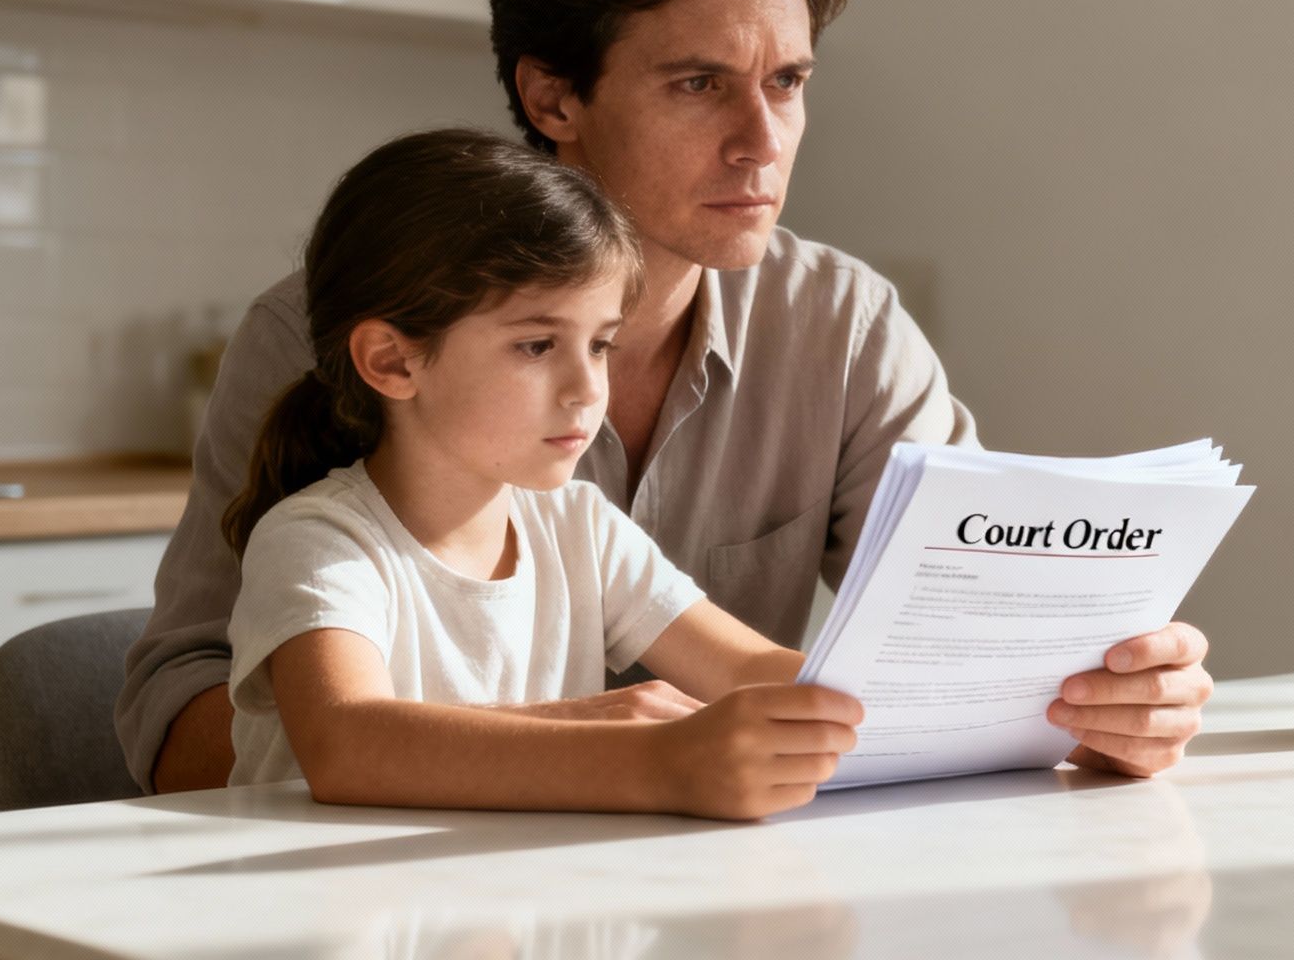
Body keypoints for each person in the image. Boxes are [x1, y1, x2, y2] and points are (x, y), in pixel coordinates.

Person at [117, 0, 1213, 796]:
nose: (761, 140)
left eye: (785, 82)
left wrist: (1078, 701)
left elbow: (956, 651)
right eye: (698, 84)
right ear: (554, 99)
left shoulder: (840, 326)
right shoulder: (348, 321)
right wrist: (601, 758)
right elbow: (183, 720)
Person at [225, 127, 860, 820]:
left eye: (601, 344)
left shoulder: (580, 529)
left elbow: (751, 670)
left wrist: (932, 707)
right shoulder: (319, 541)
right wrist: (653, 758)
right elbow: (348, 744)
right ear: (393, 362)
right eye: (536, 345)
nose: (588, 388)